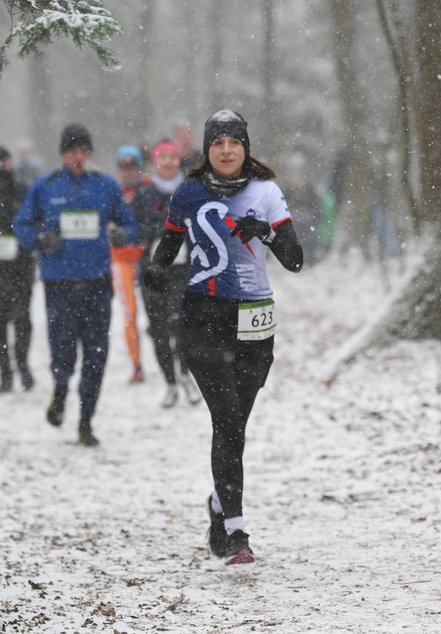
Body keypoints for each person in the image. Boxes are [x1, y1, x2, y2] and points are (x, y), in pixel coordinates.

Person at [143, 110, 303, 565]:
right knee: (227, 421)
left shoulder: (266, 192)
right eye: (218, 143)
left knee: (236, 426)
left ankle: (218, 502)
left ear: (245, 148)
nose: (227, 150)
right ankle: (236, 529)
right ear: (208, 151)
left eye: (234, 142)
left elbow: (294, 259)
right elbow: (170, 245)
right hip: (203, 317)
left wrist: (268, 233)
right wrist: (155, 271)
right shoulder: (188, 193)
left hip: (254, 321)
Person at [13, 124, 138, 446]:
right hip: (60, 286)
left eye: (82, 150)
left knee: (96, 357)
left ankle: (85, 421)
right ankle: (60, 390)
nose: (77, 157)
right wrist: (41, 239)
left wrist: (123, 234)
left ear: (90, 153)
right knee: (63, 353)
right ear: (62, 154)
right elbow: (22, 224)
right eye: (71, 151)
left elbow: (128, 222)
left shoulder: (105, 185)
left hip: (97, 284)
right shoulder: (45, 186)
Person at [133, 140, 201, 408]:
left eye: (173, 157)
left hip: (185, 269)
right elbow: (135, 228)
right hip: (153, 270)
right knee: (158, 329)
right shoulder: (144, 194)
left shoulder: (191, 191)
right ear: (155, 162)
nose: (169, 162)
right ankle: (170, 382)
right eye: (163, 158)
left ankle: (186, 375)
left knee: (182, 324)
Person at [113, 145, 150, 383]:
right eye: (123, 166)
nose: (128, 171)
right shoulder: (113, 191)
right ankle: (136, 363)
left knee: (157, 311)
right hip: (122, 259)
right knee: (130, 313)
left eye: (132, 165)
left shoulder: (149, 188)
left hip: (145, 256)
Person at [0, 145, 34, 392]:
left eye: (4, 161)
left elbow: (33, 220)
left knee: (22, 317)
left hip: (21, 263)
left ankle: (23, 365)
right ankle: (6, 371)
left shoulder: (22, 190)